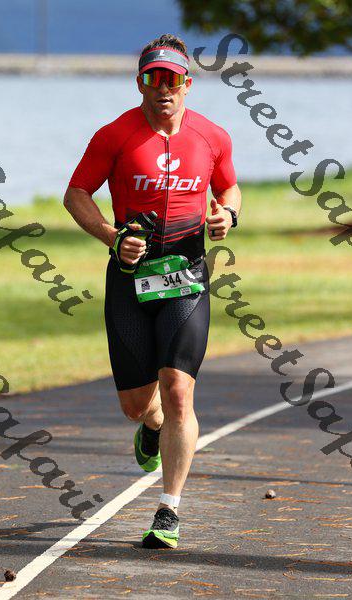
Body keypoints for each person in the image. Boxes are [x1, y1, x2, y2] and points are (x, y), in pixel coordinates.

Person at [64, 33, 241, 549]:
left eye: (172, 79)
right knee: (137, 405)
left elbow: (228, 187)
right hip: (129, 278)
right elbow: (76, 193)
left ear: (187, 84)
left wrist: (228, 215)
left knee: (179, 389)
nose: (163, 88)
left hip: (187, 274)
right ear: (140, 83)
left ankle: (169, 509)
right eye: (152, 78)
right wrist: (112, 237)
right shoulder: (114, 135)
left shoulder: (212, 136)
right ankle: (152, 425)